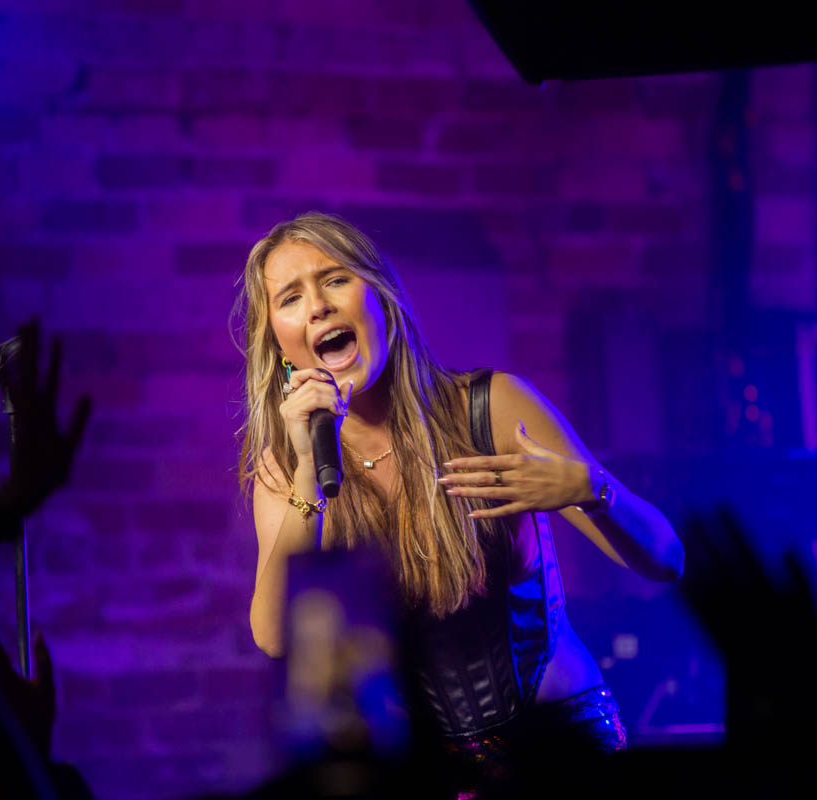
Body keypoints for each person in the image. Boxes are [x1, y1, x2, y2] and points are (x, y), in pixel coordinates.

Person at [234, 212, 684, 795]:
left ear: (381, 297)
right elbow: (274, 637)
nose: (318, 306)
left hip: (561, 752)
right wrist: (308, 476)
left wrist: (593, 490)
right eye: (291, 298)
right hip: (428, 776)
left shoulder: (489, 408)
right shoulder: (287, 471)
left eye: (335, 279)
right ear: (280, 344)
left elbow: (665, 559)